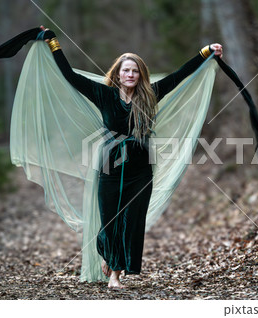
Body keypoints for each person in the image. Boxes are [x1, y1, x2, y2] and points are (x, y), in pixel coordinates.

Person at [38, 26, 223, 288]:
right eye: (126, 70)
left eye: (135, 71)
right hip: (109, 165)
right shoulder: (104, 94)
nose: (130, 74)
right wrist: (53, 43)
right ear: (117, 73)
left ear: (141, 75)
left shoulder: (150, 95)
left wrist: (206, 54)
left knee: (131, 221)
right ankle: (109, 255)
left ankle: (115, 274)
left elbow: (180, 75)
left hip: (140, 168)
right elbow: (68, 75)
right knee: (109, 220)